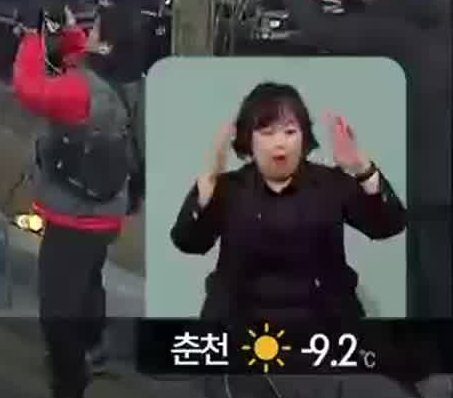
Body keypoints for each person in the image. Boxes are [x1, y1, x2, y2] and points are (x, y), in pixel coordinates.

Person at [280, 0, 452, 322]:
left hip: (425, 176)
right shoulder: (438, 10)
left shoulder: (391, 26)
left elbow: (324, 31)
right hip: (441, 170)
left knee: (426, 278)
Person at [172, 84, 404, 322]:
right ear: (248, 140)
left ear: (304, 138)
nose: (279, 142)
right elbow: (189, 242)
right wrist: (207, 186)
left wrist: (362, 168)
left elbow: (388, 225)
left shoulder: (331, 183)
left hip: (323, 327)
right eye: (267, 133)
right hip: (241, 326)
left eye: (290, 132)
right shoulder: (227, 187)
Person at [12, 3, 144, 398]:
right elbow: (70, 56)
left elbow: (28, 87)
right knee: (86, 285)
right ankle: (90, 349)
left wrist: (35, 38)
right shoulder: (131, 82)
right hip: (110, 208)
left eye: (93, 30)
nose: (86, 34)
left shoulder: (81, 89)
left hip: (73, 214)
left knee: (57, 310)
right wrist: (63, 30)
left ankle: (69, 397)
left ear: (105, 42)